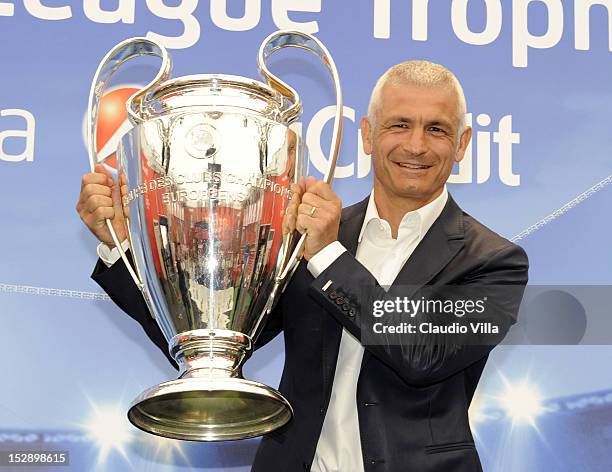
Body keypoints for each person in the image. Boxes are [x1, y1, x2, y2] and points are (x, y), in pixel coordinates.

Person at [77, 60, 528, 472]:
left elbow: (420, 355)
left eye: (436, 129)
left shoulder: (493, 261)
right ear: (368, 134)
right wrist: (120, 245)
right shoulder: (302, 239)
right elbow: (215, 349)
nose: (415, 145)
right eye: (399, 125)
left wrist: (327, 255)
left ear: (463, 143)